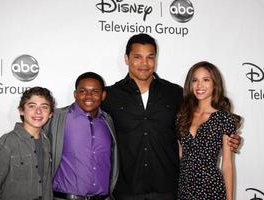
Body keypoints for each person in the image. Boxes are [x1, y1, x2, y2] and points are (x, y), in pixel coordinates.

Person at [101, 33, 241, 200]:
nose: (144, 63)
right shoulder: (109, 96)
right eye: (137, 57)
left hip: (169, 190)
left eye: (150, 57)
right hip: (126, 191)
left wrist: (230, 138)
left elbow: (202, 122)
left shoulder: (175, 93)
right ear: (126, 58)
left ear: (156, 59)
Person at [44, 72, 118, 200]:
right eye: (83, 91)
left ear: (103, 95)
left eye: (95, 91)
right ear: (75, 94)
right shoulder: (56, 118)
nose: (88, 96)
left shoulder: (108, 121)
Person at [176, 61, 242, 200]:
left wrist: (229, 199)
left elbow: (227, 164)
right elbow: (180, 155)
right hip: (184, 187)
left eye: (206, 80)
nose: (199, 85)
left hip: (211, 187)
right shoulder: (182, 116)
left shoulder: (224, 118)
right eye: (195, 80)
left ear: (215, 84)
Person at [0, 86, 55, 200]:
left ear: (50, 113)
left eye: (44, 107)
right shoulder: (7, 142)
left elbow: (46, 187)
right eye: (32, 106)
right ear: (21, 110)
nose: (38, 111)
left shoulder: (46, 142)